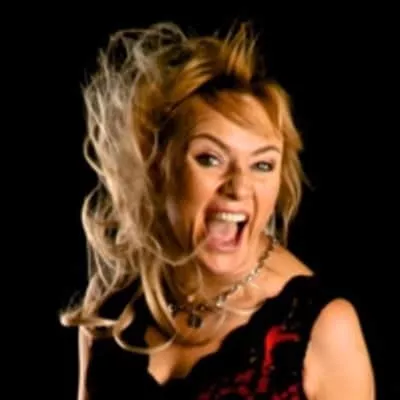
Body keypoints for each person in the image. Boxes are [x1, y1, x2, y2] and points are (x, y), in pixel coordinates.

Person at [60, 21, 375, 399]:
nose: (239, 187)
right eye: (210, 158)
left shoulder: (323, 331)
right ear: (158, 165)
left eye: (262, 164)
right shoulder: (111, 306)